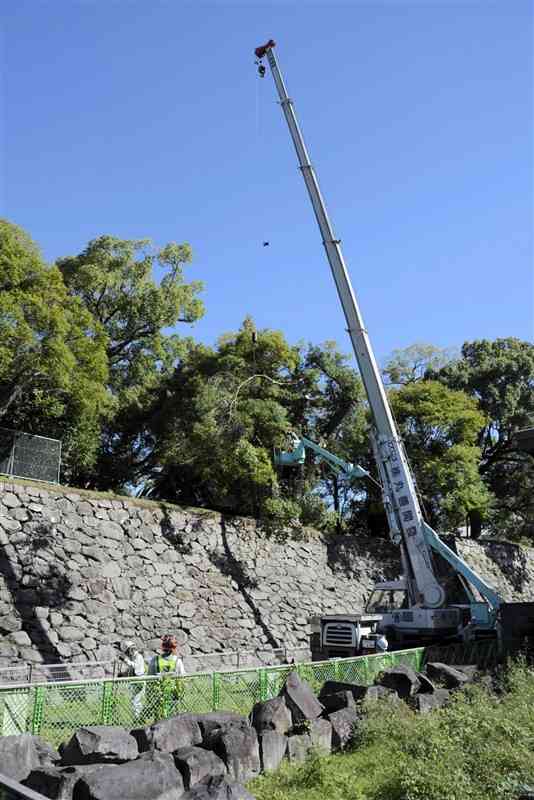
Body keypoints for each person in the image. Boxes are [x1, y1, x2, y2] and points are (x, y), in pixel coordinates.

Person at [121, 641, 146, 718]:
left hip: (139, 681)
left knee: (135, 701)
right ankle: (138, 716)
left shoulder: (138, 657)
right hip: (135, 681)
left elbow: (136, 667)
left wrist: (126, 660)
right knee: (134, 700)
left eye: (127, 652)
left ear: (131, 650)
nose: (127, 654)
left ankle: (138, 717)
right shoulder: (134, 657)